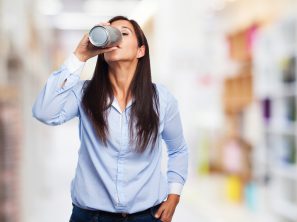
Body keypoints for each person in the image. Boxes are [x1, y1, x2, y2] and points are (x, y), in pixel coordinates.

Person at [32, 15, 189, 222]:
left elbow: (178, 149)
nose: (116, 39)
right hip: (91, 217)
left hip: (146, 216)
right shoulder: (85, 94)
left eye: (124, 33)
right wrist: (79, 56)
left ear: (140, 50)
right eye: (112, 34)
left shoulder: (161, 99)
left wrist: (174, 195)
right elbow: (45, 112)